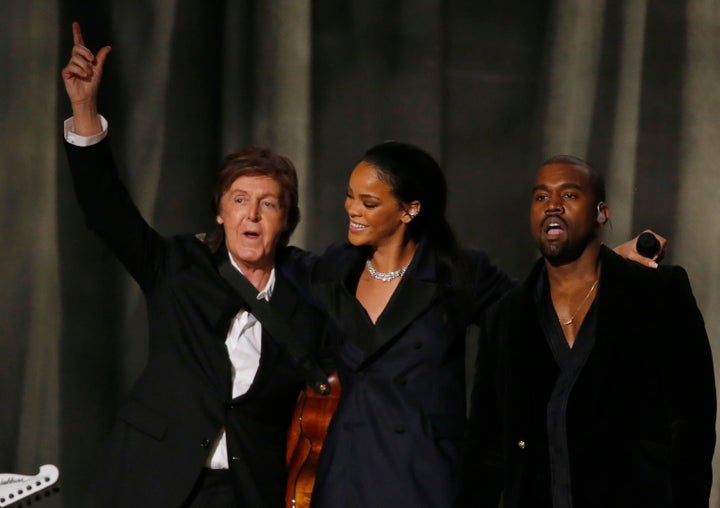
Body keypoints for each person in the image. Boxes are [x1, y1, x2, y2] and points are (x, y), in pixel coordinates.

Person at [296, 144, 666, 508]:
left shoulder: (458, 272)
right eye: (350, 197)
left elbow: (538, 303)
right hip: (345, 478)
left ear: (409, 210)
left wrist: (607, 264)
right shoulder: (335, 268)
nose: (351, 210)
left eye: (368, 202)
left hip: (424, 479)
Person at [61, 23, 330, 507]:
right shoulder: (177, 265)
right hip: (153, 482)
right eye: (239, 199)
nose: (251, 214)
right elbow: (106, 211)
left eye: (268, 204)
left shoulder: (309, 286)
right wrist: (84, 109)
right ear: (220, 211)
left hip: (247, 492)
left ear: (286, 218)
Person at [459, 155, 716, 507]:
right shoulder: (506, 317)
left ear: (601, 214)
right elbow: (486, 447)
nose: (551, 205)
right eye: (540, 197)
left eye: (568, 195)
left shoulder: (658, 295)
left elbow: (692, 424)